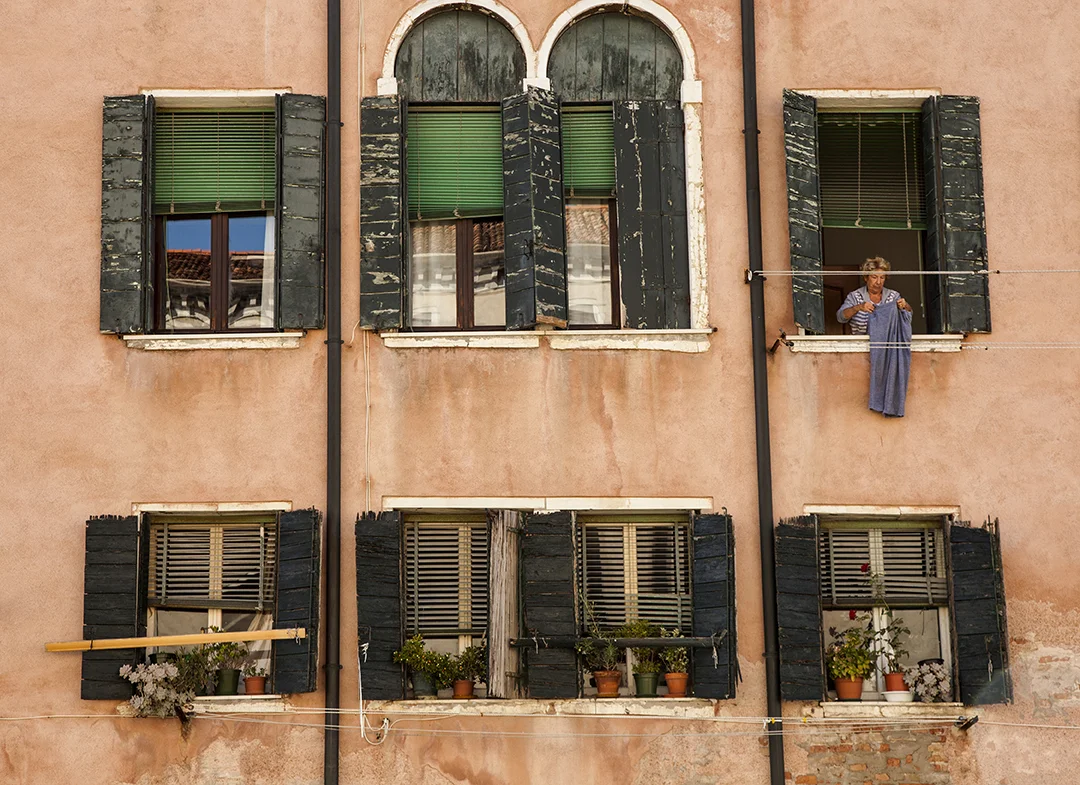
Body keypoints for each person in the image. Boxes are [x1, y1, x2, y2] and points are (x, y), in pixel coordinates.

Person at [837, 257, 912, 334]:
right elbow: (841, 317)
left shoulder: (893, 296)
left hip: (888, 344)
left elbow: (908, 317)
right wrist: (858, 307)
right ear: (866, 278)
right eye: (874, 277)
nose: (878, 282)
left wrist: (905, 306)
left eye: (882, 277)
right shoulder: (855, 296)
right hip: (861, 344)